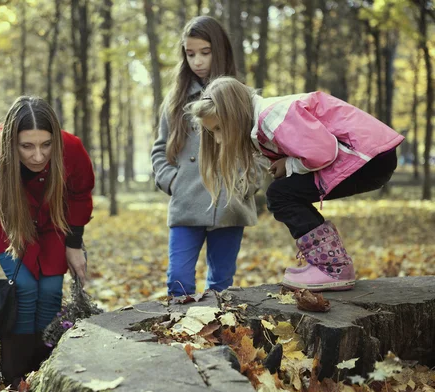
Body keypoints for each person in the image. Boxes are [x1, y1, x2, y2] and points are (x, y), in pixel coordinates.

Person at [189, 76, 404, 291]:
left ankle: (332, 266)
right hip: (371, 155)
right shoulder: (263, 120)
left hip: (364, 154)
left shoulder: (272, 117)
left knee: (280, 195)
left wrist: (290, 165)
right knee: (285, 192)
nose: (217, 139)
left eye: (218, 129)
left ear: (233, 115)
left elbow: (323, 151)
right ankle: (328, 263)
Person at [0, 96, 94, 386]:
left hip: (52, 224)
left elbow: (80, 195)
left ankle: (42, 370)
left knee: (51, 288)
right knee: (25, 287)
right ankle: (13, 375)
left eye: (46, 145)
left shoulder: (71, 148)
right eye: (27, 146)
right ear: (10, 141)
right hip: (9, 224)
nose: (38, 156)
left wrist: (74, 244)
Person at [151, 16, 265, 298]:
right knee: (177, 280)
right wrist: (173, 182)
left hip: (230, 205)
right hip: (186, 201)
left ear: (220, 50)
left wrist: (244, 185)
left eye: (205, 52)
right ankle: (179, 335)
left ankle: (214, 337)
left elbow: (262, 150)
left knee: (221, 283)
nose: (198, 61)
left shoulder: (244, 98)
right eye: (190, 54)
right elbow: (159, 150)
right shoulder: (175, 99)